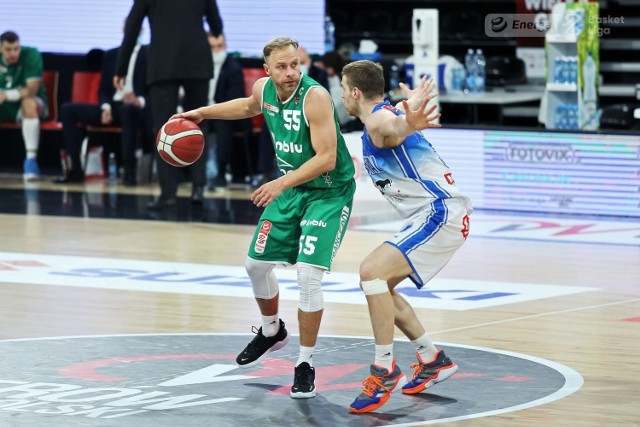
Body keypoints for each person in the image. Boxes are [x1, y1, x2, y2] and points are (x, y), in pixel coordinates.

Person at [173, 37, 356, 399]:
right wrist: (202, 113)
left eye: (295, 65)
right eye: (282, 67)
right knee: (255, 266)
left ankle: (305, 363)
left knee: (307, 276)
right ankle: (272, 330)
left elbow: (327, 159)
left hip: (328, 192)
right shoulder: (264, 90)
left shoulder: (315, 97)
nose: (290, 73)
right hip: (291, 188)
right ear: (267, 71)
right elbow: (247, 105)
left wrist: (279, 182)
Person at [340, 60, 472, 414]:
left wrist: (407, 121)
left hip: (440, 211)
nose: (342, 96)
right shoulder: (387, 113)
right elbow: (398, 118)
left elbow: (391, 125)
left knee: (371, 272)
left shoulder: (377, 121)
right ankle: (432, 359)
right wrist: (409, 112)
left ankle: (384, 368)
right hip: (436, 212)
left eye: (343, 89)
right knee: (380, 286)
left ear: (354, 92)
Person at [114, 0, 223, 208]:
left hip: (163, 63)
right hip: (197, 61)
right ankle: (198, 188)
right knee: (199, 123)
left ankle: (168, 194)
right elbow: (216, 27)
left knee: (164, 129)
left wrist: (120, 68)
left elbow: (132, 28)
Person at [54, 42, 152, 185]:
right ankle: (74, 170)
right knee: (67, 109)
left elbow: (156, 90)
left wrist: (139, 101)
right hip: (112, 107)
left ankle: (129, 171)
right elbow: (103, 90)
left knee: (127, 110)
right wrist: (106, 107)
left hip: (135, 109)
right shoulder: (111, 55)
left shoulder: (149, 54)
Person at [204, 32, 249, 190]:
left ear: (225, 46)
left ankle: (221, 173)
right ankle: (191, 173)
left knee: (223, 124)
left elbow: (234, 100)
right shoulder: (199, 65)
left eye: (219, 46)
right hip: (202, 110)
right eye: (212, 47)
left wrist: (214, 110)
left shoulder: (233, 68)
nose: (216, 50)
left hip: (223, 111)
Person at [0, 31, 47, 180]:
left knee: (29, 103)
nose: (13, 53)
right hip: (4, 106)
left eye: (16, 49)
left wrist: (7, 95)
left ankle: (31, 161)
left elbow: (32, 90)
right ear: (0, 48)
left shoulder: (31, 54)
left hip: (29, 104)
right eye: (8, 50)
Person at [321, 51, 357, 131]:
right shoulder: (324, 78)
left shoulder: (346, 77)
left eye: (326, 67)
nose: (324, 70)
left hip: (347, 117)